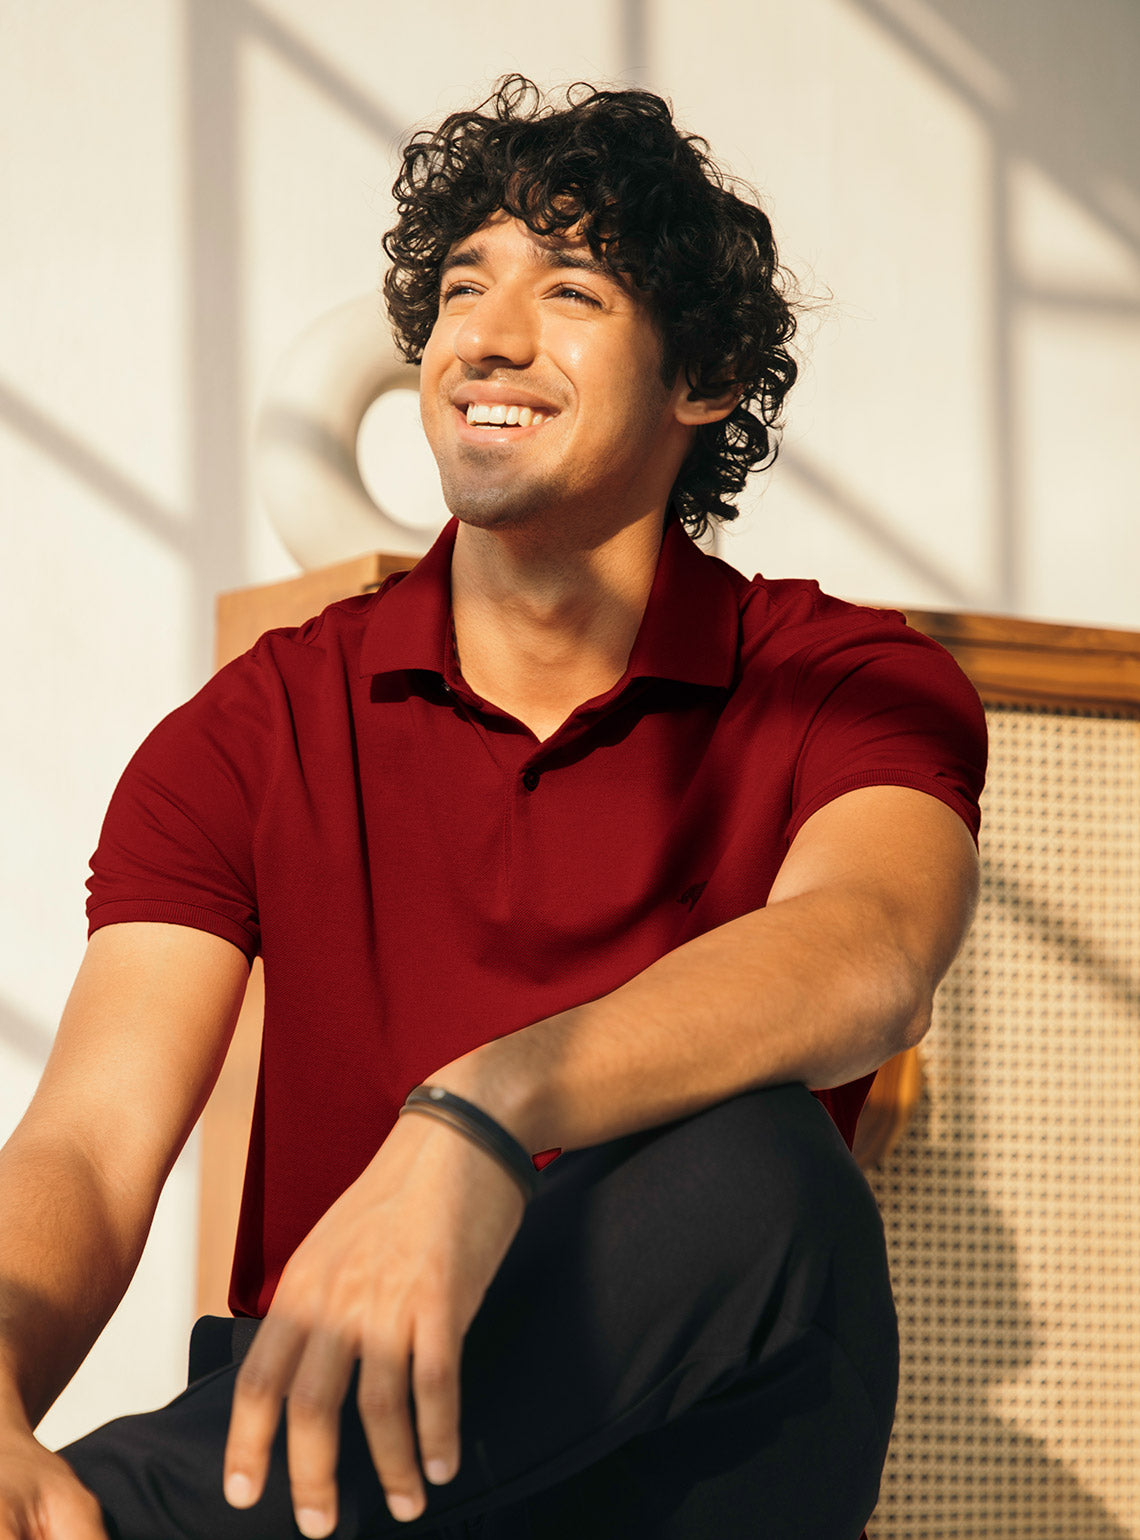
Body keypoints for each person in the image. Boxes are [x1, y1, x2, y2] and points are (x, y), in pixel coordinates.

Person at [0, 76, 986, 1539]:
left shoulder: (844, 680)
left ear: (704, 376)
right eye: (465, 288)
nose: (489, 336)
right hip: (323, 1467)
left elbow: (871, 950)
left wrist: (477, 1117)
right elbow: (86, 1145)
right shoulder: (260, 724)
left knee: (768, 1175)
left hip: (679, 1462)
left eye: (571, 290)